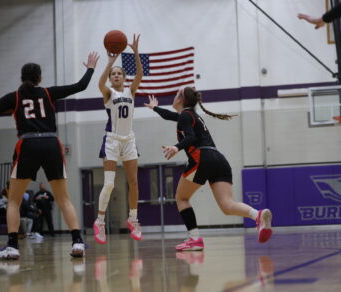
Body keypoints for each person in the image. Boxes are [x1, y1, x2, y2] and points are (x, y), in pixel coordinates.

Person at [0, 51, 100, 260]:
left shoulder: (13, 97)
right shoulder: (48, 93)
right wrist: (91, 68)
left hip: (28, 144)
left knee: (13, 201)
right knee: (63, 198)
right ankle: (77, 241)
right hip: (51, 143)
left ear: (21, 78)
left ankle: (12, 246)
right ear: (40, 78)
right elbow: (80, 86)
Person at [144, 87, 273, 251]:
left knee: (181, 198)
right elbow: (170, 116)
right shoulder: (190, 115)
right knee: (227, 205)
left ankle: (194, 238)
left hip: (202, 157)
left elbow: (191, 137)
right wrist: (155, 108)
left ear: (180, 99)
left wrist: (176, 148)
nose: (174, 97)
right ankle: (258, 215)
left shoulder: (185, 115)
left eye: (176, 94)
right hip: (219, 159)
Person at [93, 34, 143, 244]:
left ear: (124, 77)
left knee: (133, 181)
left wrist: (136, 52)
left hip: (129, 140)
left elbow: (140, 74)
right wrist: (110, 62)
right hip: (112, 140)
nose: (115, 76)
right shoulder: (108, 94)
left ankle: (133, 219)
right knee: (110, 184)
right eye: (113, 74)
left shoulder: (131, 91)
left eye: (118, 73)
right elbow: (99, 82)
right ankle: (100, 221)